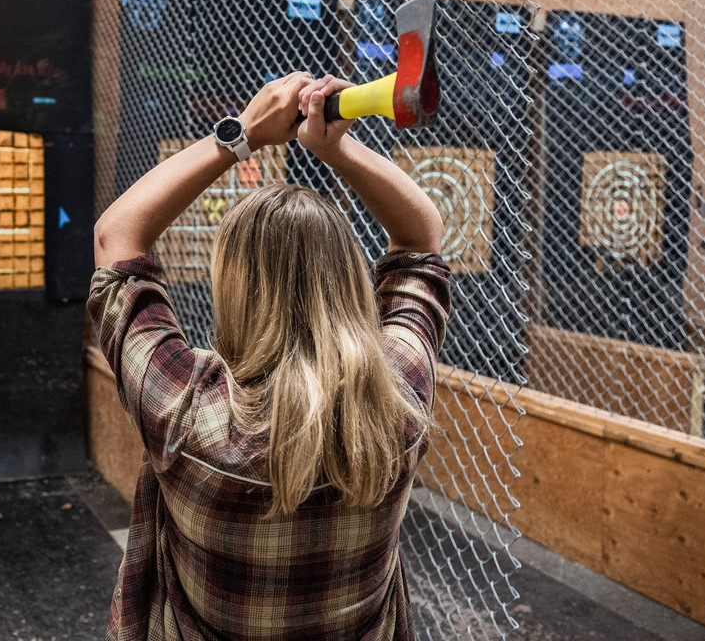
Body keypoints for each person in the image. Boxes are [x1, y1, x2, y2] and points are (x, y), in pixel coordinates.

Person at [89, 72, 451, 641]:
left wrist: (240, 136)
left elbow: (116, 238)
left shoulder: (187, 410)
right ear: (348, 280)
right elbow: (420, 239)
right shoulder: (400, 393)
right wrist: (336, 148)